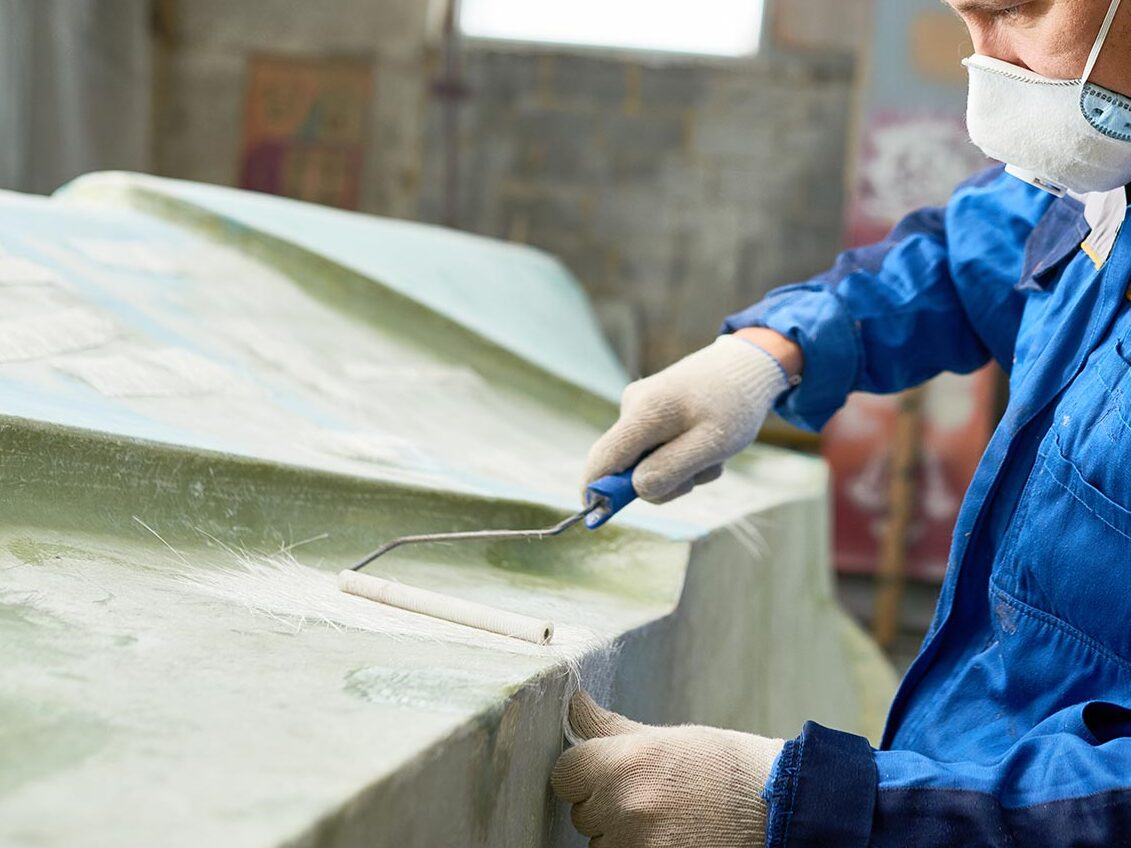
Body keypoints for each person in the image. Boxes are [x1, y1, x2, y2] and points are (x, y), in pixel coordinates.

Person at [550, 0, 1131, 845]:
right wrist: (767, 353)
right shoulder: (1104, 181)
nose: (990, 66)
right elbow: (966, 254)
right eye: (966, 19)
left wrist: (829, 809)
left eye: (1016, 11)